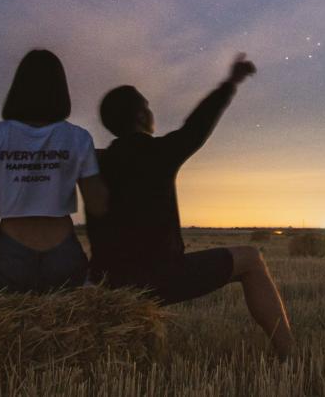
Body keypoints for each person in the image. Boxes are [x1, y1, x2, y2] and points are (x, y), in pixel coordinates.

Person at [87, 54, 294, 358]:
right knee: (251, 259)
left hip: (107, 279)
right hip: (158, 278)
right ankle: (290, 354)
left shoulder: (94, 160)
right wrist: (230, 83)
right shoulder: (159, 153)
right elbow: (198, 125)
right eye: (148, 106)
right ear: (142, 117)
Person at [0, 48, 107, 293]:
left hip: (11, 250)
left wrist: (2, 241)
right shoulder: (78, 138)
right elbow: (97, 206)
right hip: (63, 251)